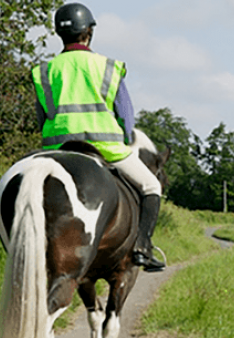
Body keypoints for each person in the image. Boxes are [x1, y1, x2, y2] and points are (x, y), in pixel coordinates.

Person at [32, 2, 165, 272]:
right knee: (152, 186)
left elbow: (41, 117)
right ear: (89, 32)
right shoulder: (107, 67)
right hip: (106, 148)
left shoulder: (44, 71)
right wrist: (124, 136)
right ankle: (142, 248)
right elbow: (126, 116)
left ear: (60, 34)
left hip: (57, 151)